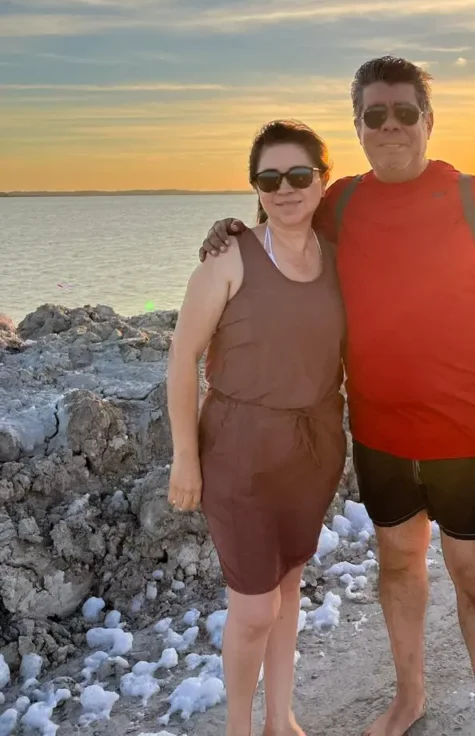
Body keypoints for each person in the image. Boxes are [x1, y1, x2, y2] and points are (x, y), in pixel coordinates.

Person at [200, 57, 475, 736]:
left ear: (428, 121)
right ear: (356, 126)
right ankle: (409, 697)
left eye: (404, 112)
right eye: (374, 114)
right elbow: (284, 224)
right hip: (380, 431)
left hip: (469, 429)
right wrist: (231, 230)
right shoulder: (344, 203)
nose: (390, 126)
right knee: (398, 566)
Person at [167, 120, 347, 736]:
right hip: (238, 450)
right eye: (269, 179)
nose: (285, 188)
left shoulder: (338, 254)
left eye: (299, 174)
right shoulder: (229, 257)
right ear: (255, 187)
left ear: (322, 180)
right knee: (252, 608)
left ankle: (280, 718)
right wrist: (184, 457)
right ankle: (238, 729)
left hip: (314, 447)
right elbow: (182, 356)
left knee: (289, 584)